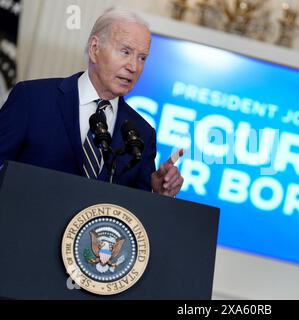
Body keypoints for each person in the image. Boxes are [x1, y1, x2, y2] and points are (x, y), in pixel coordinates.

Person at [0, 9, 183, 197]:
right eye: (125, 52)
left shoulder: (143, 134)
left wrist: (158, 194)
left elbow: (136, 218)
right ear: (95, 48)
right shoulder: (33, 99)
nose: (133, 67)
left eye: (142, 58)